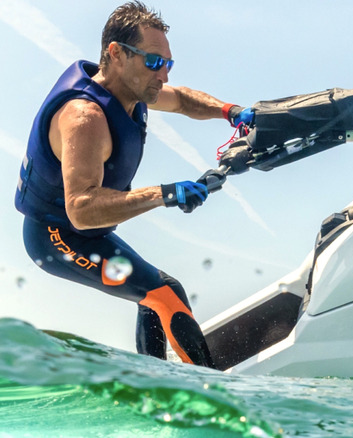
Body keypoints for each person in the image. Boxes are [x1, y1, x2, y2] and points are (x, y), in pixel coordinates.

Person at [14, 1, 253, 368]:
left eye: (168, 64)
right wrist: (165, 194)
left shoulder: (134, 92)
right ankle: (213, 394)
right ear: (117, 54)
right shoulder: (85, 117)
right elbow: (80, 209)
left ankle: (156, 388)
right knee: (165, 294)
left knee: (155, 296)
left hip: (91, 233)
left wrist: (231, 111)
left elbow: (184, 100)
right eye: (155, 63)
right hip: (56, 236)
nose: (165, 75)